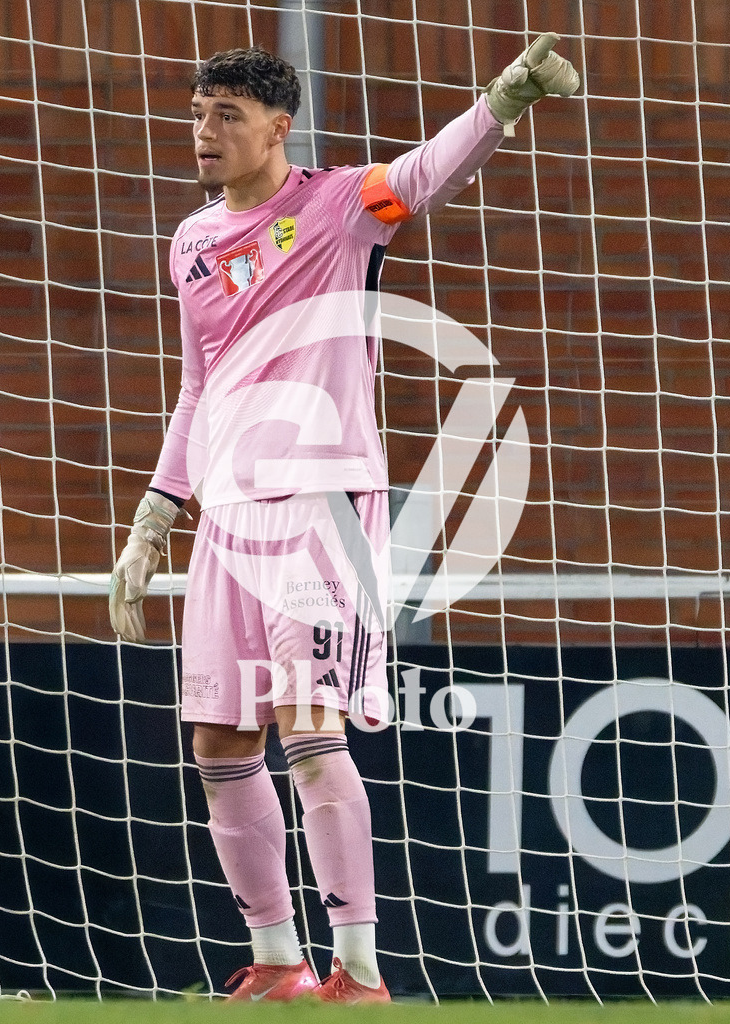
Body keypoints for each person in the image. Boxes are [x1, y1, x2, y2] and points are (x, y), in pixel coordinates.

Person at [109, 37, 578, 1003]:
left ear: (278, 128)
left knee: (311, 727)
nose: (203, 133)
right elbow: (199, 388)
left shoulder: (338, 206)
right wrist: (157, 513)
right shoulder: (191, 242)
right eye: (199, 113)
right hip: (225, 519)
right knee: (219, 743)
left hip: (319, 506)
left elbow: (424, 174)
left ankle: (357, 970)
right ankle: (278, 959)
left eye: (225, 116)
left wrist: (504, 100)